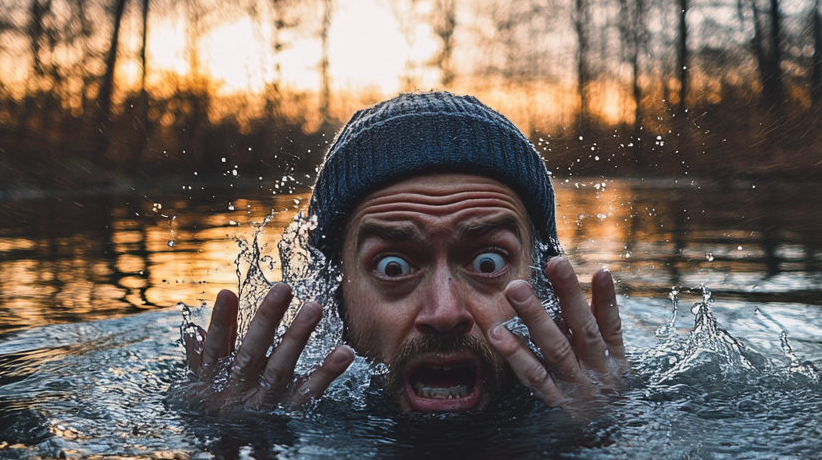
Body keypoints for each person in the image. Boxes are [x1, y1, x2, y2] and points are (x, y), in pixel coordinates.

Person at [183, 91, 625, 416]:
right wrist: (234, 437)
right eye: (393, 266)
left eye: (488, 262)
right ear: (334, 298)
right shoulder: (283, 422)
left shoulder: (622, 408)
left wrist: (609, 429)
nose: (445, 312)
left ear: (543, 287)